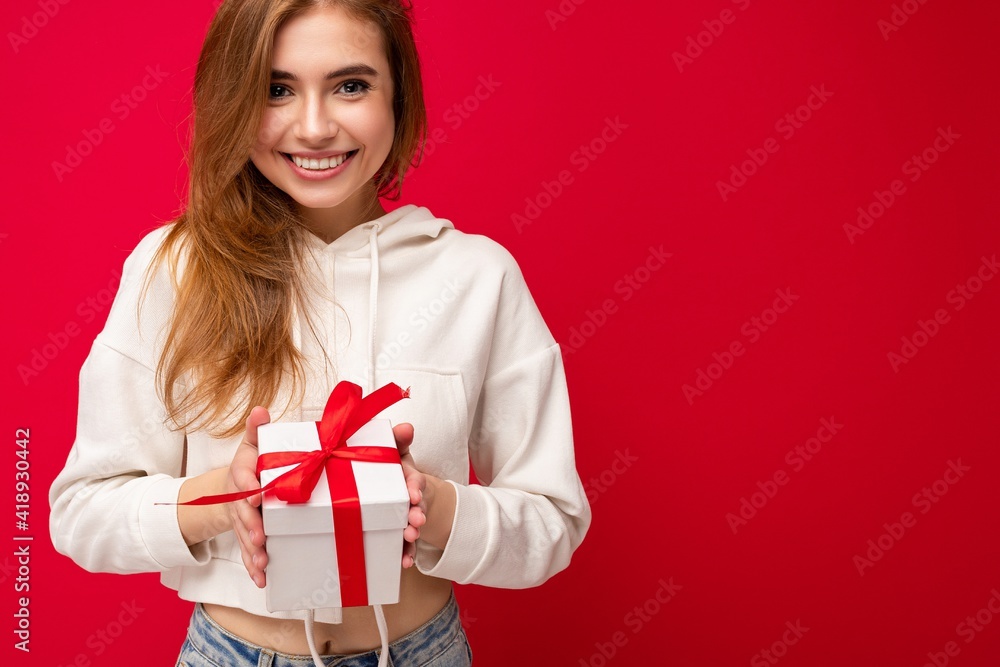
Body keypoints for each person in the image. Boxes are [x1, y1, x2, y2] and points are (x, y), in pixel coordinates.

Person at [48, 1, 591, 665]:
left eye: (351, 86)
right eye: (277, 89)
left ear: (401, 97)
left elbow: (553, 521)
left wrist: (437, 508)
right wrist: (224, 495)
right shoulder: (175, 269)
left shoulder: (478, 276)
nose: (313, 126)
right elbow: (81, 512)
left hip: (421, 650)